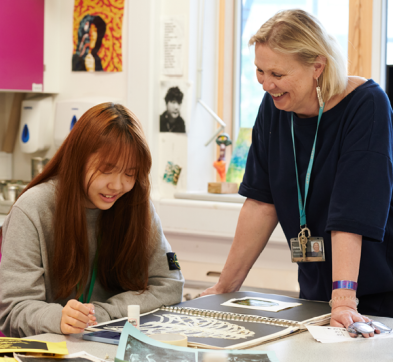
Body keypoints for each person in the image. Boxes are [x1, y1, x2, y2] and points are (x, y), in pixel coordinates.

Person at [202, 9, 393, 337]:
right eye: (259, 71)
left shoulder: (367, 106)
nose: (266, 84)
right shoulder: (276, 106)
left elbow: (351, 214)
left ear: (317, 67)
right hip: (319, 296)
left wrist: (345, 300)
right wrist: (225, 286)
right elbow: (261, 202)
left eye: (276, 72)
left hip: (375, 294)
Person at [0, 103, 184, 337]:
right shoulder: (32, 209)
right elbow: (13, 310)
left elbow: (171, 283)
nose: (117, 185)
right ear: (79, 160)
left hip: (112, 345)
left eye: (130, 173)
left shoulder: (138, 205)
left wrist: (103, 313)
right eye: (107, 170)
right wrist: (59, 318)